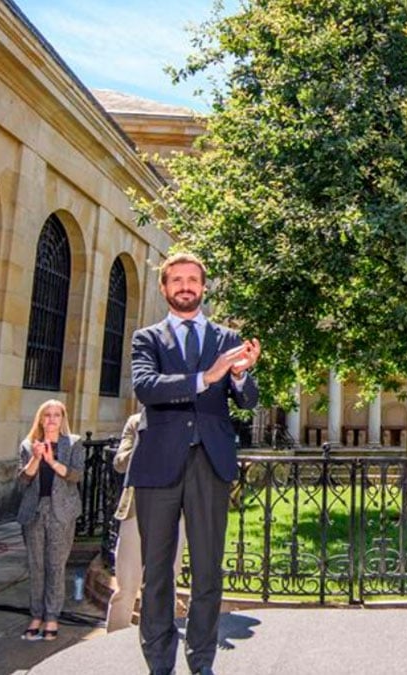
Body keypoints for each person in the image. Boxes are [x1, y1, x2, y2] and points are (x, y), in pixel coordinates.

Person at [131, 252, 260, 675]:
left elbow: (247, 400)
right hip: (157, 466)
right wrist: (206, 377)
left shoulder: (226, 339)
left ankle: (201, 662)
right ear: (165, 288)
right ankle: (159, 664)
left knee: (207, 571)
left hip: (210, 462)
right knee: (156, 575)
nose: (185, 287)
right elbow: (146, 387)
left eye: (193, 280)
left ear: (204, 287)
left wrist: (239, 374)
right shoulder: (146, 339)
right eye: (177, 280)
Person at [106, 409, 187, 633]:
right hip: (135, 510)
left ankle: (161, 640)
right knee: (127, 585)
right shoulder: (135, 422)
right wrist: (143, 443)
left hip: (172, 514)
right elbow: (119, 463)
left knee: (166, 582)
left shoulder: (184, 422)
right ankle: (112, 643)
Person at [15, 399, 86, 642]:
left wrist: (52, 461)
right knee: (36, 566)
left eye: (57, 415)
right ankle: (36, 614)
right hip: (35, 510)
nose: (52, 419)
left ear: (63, 418)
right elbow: (23, 481)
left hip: (62, 512)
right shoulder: (28, 444)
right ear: (40, 419)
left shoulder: (73, 443)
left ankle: (52, 615)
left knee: (56, 565)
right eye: (47, 415)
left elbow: (76, 475)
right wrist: (36, 458)